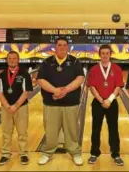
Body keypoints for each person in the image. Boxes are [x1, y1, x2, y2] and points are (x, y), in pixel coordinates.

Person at [36, 37, 84, 166]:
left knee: (72, 130)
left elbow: (80, 78)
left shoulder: (75, 62)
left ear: (67, 47)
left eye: (64, 45)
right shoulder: (46, 63)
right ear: (55, 47)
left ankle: (75, 153)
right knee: (50, 131)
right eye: (59, 45)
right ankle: (47, 153)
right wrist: (54, 90)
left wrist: (65, 90)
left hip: (71, 103)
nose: (62, 47)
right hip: (51, 103)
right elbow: (40, 80)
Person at [86, 44, 124, 166]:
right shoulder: (94, 69)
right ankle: (94, 153)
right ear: (100, 55)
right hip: (98, 103)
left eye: (107, 53)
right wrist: (102, 100)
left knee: (114, 129)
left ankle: (116, 154)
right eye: (103, 53)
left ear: (110, 54)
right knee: (96, 129)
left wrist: (110, 99)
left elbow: (118, 86)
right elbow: (92, 87)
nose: (105, 55)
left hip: (112, 103)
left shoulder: (117, 69)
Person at [0, 51, 33, 165]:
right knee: (6, 132)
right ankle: (5, 154)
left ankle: (24, 154)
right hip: (6, 108)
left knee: (22, 132)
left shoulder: (24, 74)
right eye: (10, 58)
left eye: (14, 58)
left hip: (21, 107)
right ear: (7, 60)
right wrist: (7, 106)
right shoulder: (1, 75)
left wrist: (16, 106)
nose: (12, 60)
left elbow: (26, 92)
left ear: (18, 60)